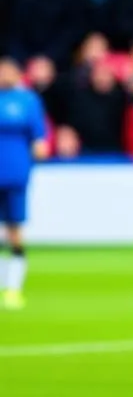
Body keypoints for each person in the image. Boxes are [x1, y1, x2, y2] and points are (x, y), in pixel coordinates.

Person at [0, 57, 49, 309]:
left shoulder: (27, 101)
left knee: (15, 231)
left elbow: (40, 141)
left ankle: (13, 288)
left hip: (16, 176)